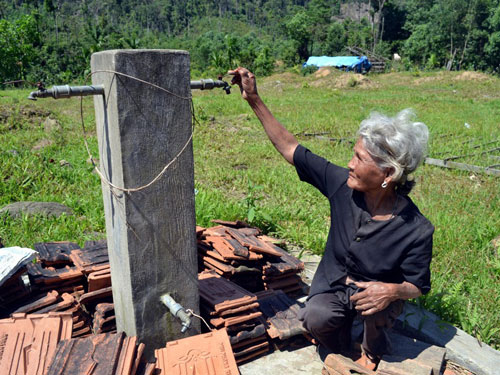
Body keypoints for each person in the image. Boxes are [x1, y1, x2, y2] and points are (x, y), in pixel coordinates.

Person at [228, 67, 434, 370]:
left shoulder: (416, 229)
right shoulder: (342, 186)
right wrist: (253, 98)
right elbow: (290, 148)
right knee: (316, 318)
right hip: (334, 288)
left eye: (359, 159)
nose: (349, 165)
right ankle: (341, 343)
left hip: (373, 299)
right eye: (353, 154)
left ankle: (372, 346)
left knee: (377, 312)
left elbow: (417, 285)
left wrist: (391, 291)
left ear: (388, 174)